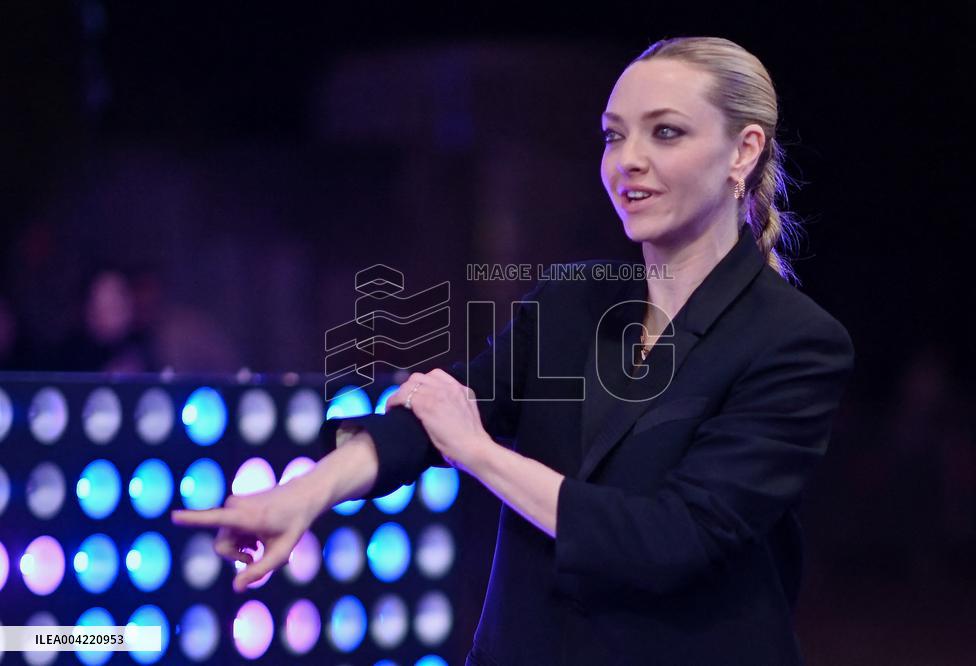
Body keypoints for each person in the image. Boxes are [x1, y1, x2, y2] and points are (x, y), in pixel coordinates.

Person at [172, 36, 855, 665]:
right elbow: (432, 421)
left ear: (744, 151)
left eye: (666, 132)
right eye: (614, 136)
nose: (628, 160)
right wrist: (302, 496)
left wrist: (481, 453)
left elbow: (668, 541)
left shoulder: (795, 342)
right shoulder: (569, 301)